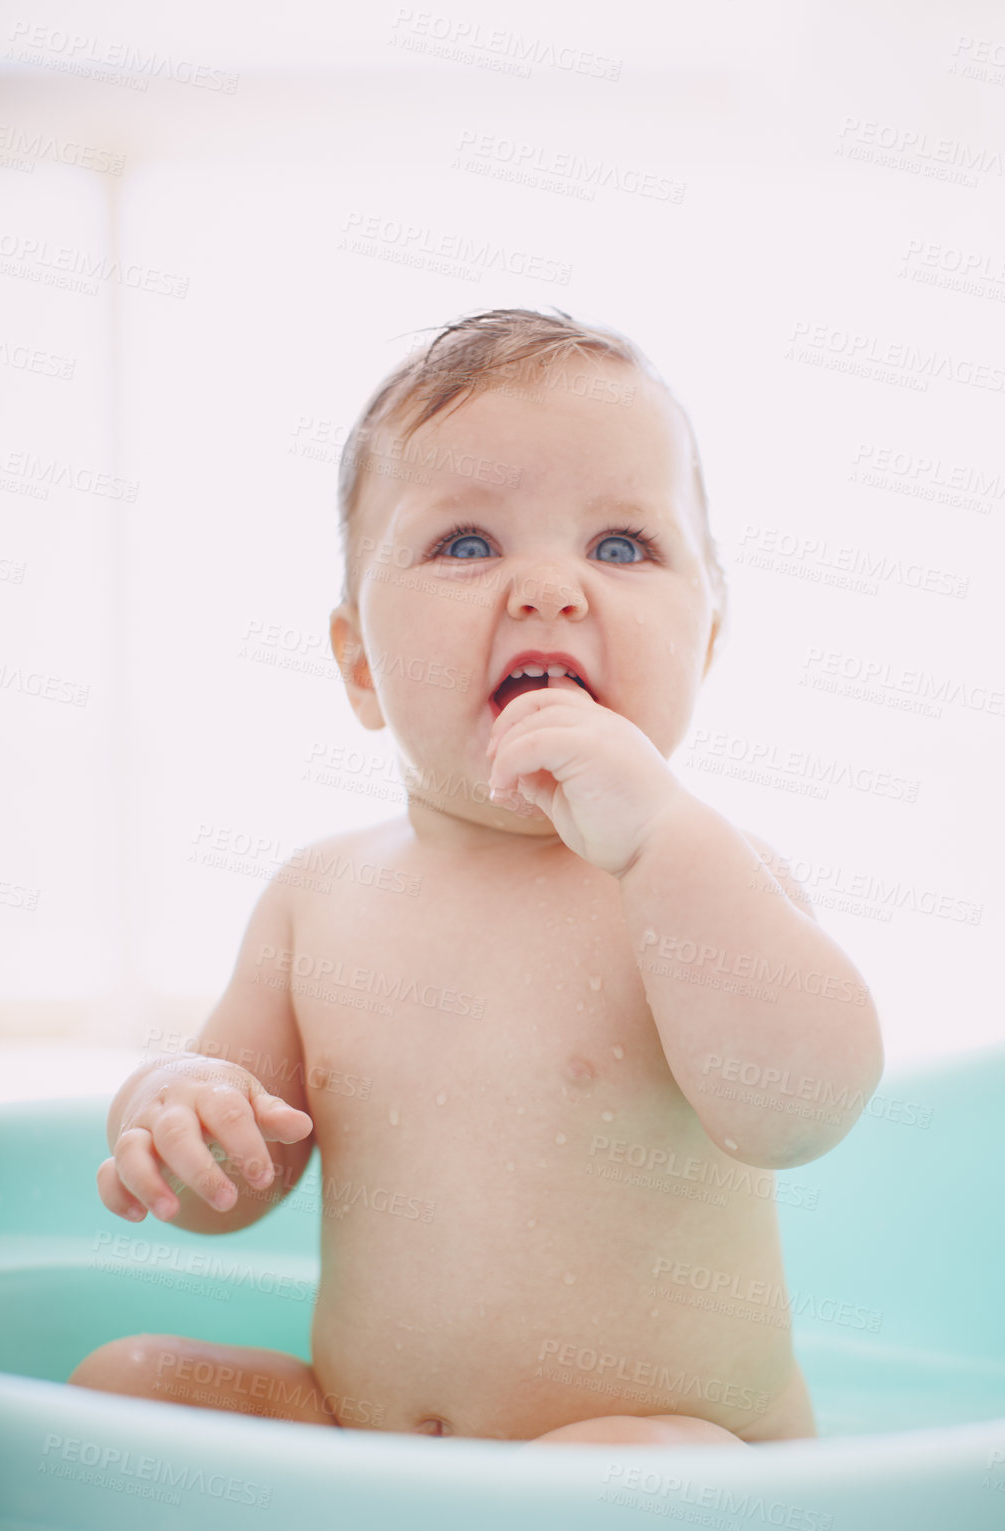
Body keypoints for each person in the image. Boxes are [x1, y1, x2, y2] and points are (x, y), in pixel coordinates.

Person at [70, 309, 884, 1446]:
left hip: (664, 1448)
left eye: (619, 546)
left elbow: (799, 1110)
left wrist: (655, 836)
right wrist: (172, 1108)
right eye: (465, 544)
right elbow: (240, 1181)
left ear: (701, 646)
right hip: (373, 1436)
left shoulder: (700, 879)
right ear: (359, 665)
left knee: (635, 1473)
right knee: (129, 1380)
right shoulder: (317, 898)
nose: (547, 589)